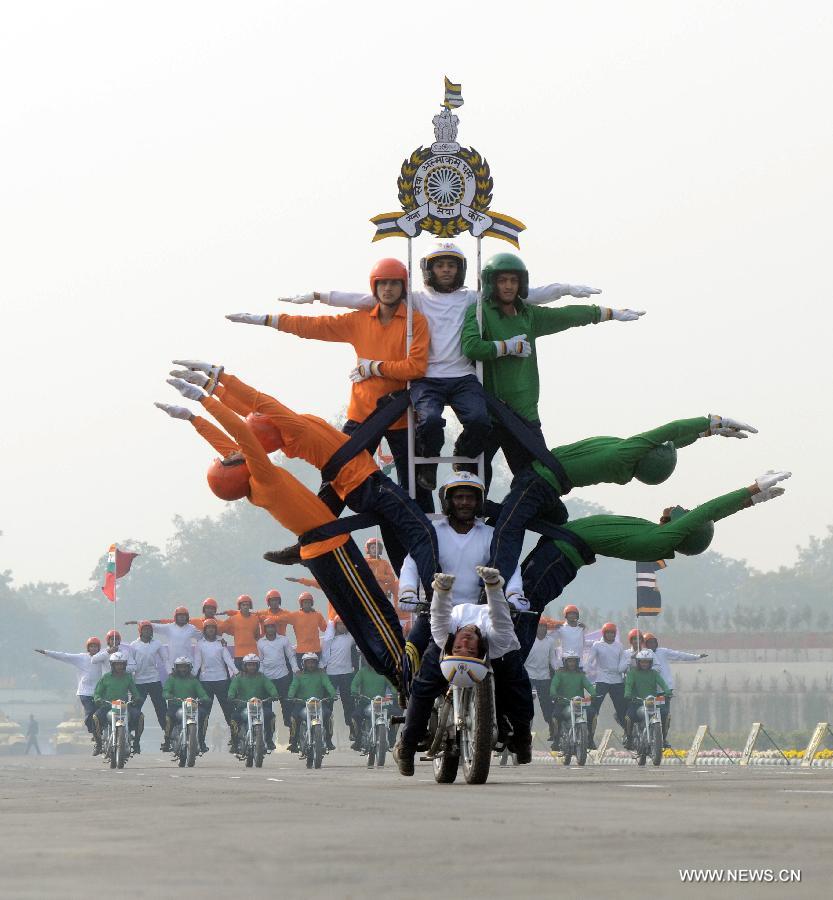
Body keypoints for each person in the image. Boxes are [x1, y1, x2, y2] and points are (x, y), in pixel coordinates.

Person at [261, 240, 601, 491]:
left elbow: (525, 294)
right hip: (427, 378)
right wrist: (321, 296)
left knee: (481, 422)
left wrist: (566, 289)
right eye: (440, 265)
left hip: (465, 376)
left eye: (452, 265)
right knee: (430, 423)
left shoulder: (472, 298)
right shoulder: (417, 299)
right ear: (429, 270)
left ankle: (463, 455)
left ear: (461, 270)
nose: (446, 270)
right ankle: (426, 471)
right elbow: (367, 298)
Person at [154, 373, 405, 687]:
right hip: (334, 548)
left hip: (319, 552)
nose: (230, 452)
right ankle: (404, 672)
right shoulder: (263, 476)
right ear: (235, 469)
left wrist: (193, 419)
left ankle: (398, 677)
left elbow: (229, 446)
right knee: (375, 613)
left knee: (358, 619)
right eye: (228, 459)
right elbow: (241, 435)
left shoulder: (251, 485)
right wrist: (204, 398)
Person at [165, 362, 439, 594]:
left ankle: (412, 588)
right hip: (367, 483)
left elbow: (246, 419)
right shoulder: (295, 431)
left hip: (355, 488)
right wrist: (215, 380)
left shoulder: (284, 442)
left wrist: (204, 404)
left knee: (394, 531)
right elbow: (256, 403)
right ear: (272, 423)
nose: (262, 413)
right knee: (422, 530)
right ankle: (434, 591)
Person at [514, 470, 791, 659]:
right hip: (558, 549)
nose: (679, 507)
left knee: (519, 616)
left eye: (684, 514)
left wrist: (752, 488)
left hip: (559, 555)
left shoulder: (663, 538)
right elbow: (707, 520)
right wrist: (749, 502)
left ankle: (505, 680)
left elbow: (707, 512)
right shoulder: (661, 536)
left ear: (682, 527)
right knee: (516, 614)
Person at [228, 258, 432, 508]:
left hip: (401, 415)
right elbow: (314, 326)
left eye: (394, 283)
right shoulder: (359, 320)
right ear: (374, 287)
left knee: (414, 483)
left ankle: (430, 539)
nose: (388, 289)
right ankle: (320, 530)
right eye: (383, 283)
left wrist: (373, 367)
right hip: (362, 413)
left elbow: (415, 368)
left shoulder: (415, 322)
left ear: (403, 287)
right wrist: (269, 320)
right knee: (338, 472)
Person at [489, 413, 760, 583]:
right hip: (552, 504)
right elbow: (670, 443)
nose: (681, 508)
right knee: (544, 517)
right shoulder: (627, 461)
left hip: (544, 492)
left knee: (509, 525)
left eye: (684, 512)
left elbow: (669, 432)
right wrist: (704, 433)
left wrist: (712, 422)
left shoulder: (624, 455)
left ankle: (496, 579)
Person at [461, 251, 644, 486]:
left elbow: (567, 316)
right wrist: (506, 347)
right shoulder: (478, 312)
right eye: (502, 280)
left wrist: (608, 313)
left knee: (539, 478)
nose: (508, 286)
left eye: (513, 280)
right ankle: (476, 521)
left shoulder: (529, 315)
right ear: (491, 282)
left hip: (524, 413)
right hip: (492, 412)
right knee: (470, 480)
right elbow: (472, 347)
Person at [394, 565, 534, 776]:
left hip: (497, 653)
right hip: (486, 645)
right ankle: (408, 744)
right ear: (479, 648)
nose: (465, 643)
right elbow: (500, 614)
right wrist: (494, 587)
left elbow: (439, 617)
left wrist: (441, 591)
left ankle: (522, 740)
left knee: (517, 687)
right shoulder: (495, 639)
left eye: (461, 648)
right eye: (467, 648)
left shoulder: (451, 637)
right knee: (423, 687)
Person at [398, 472, 525, 662]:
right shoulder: (432, 532)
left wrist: (514, 594)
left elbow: (511, 566)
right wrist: (408, 591)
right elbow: (412, 563)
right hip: (438, 612)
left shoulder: (491, 535)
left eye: (471, 498)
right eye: (459, 497)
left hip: (482, 615)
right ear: (448, 501)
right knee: (412, 656)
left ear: (479, 502)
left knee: (512, 671)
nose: (465, 502)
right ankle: (409, 693)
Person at [643, 632, 707, 746]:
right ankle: (646, 735)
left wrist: (696, 657)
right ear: (645, 644)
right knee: (646, 713)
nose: (652, 644)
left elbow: (679, 655)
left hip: (664, 690)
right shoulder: (643, 654)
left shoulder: (663, 651)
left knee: (664, 714)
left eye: (653, 642)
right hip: (649, 690)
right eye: (649, 642)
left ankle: (662, 738)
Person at [34, 637, 105, 738]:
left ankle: (101, 732)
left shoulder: (102, 658)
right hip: (85, 692)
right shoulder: (81, 658)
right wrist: (47, 653)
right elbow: (64, 656)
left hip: (99, 692)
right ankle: (94, 732)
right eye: (91, 646)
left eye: (96, 647)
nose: (94, 648)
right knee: (90, 714)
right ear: (88, 648)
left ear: (99, 648)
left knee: (100, 714)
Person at [91, 652, 144, 755]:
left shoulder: (128, 677)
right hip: (108, 706)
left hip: (124, 706)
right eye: (117, 664)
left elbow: (135, 692)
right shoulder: (105, 677)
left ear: (125, 665)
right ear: (112, 665)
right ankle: (98, 744)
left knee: (140, 716)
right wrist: (98, 699)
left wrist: (137, 698)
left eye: (122, 664)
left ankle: (136, 742)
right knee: (95, 718)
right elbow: (97, 692)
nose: (119, 666)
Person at [586, 623, 630, 742]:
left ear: (615, 634)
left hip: (617, 680)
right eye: (608, 633)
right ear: (604, 633)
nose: (610, 635)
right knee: (594, 709)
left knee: (622, 709)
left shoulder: (619, 646)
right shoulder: (597, 645)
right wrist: (586, 672)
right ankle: (589, 737)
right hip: (602, 680)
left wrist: (625, 666)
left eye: (612, 633)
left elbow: (622, 662)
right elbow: (589, 661)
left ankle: (628, 735)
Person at [194, 618, 238, 738]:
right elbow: (197, 662)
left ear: (216, 630)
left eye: (213, 628)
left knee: (229, 711)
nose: (211, 630)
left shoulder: (221, 643)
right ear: (204, 630)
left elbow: (228, 658)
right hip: (205, 681)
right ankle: (200, 741)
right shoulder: (200, 644)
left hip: (222, 681)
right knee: (203, 713)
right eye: (208, 628)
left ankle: (235, 739)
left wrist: (236, 671)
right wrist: (192, 675)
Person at [257, 616, 298, 740]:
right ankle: (268, 739)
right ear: (265, 629)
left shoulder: (284, 640)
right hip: (267, 678)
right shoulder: (260, 642)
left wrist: (296, 669)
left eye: (272, 626)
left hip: (283, 677)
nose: (270, 629)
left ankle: (293, 736)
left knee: (288, 707)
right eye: (268, 627)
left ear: (275, 628)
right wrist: (261, 675)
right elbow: (260, 660)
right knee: (267, 710)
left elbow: (291, 656)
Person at [227, 654, 279, 752]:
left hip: (259, 707)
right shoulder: (239, 678)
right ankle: (235, 743)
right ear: (244, 666)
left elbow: (270, 687)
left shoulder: (262, 677)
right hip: (243, 707)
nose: (252, 667)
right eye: (249, 665)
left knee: (271, 716)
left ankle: (269, 740)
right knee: (234, 717)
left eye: (254, 665)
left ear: (258, 666)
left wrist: (274, 694)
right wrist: (231, 696)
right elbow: (232, 688)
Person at [287, 653, 337, 753]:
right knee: (294, 717)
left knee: (328, 715)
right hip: (302, 703)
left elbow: (328, 685)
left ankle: (328, 740)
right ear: (303, 664)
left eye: (313, 662)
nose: (311, 665)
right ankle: (294, 741)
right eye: (308, 663)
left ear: (316, 663)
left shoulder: (321, 674)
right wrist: (291, 695)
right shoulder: (299, 675)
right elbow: (293, 687)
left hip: (318, 703)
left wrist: (333, 694)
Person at [128, 621, 170, 736]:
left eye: (150, 629)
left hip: (154, 680)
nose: (148, 631)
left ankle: (167, 732)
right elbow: (130, 662)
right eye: (145, 629)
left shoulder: (157, 643)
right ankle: (129, 732)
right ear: (140, 631)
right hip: (139, 681)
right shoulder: (133, 645)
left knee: (161, 707)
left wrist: (170, 672)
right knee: (135, 708)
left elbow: (165, 659)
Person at [623, 649, 671, 750]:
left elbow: (662, 683)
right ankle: (629, 738)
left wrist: (668, 691)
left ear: (651, 662)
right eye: (642, 661)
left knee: (666, 714)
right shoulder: (632, 673)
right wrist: (628, 693)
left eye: (647, 661)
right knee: (628, 717)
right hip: (637, 702)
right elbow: (629, 684)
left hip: (652, 703)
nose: (644, 664)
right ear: (638, 662)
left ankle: (663, 738)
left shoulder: (654, 673)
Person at [161, 657, 211, 753]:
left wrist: (205, 698)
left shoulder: (194, 680)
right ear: (176, 668)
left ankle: (201, 741)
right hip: (176, 706)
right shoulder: (172, 679)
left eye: (185, 667)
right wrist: (169, 696)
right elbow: (165, 692)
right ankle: (167, 741)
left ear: (189, 667)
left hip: (191, 707)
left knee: (204, 715)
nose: (182, 669)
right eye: (180, 667)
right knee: (169, 718)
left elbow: (202, 693)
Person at [548, 650, 596, 749]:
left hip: (578, 703)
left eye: (574, 661)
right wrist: (554, 694)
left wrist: (593, 693)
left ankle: (590, 739)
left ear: (577, 662)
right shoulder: (559, 674)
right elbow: (553, 686)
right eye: (570, 661)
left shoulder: (580, 674)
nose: (572, 663)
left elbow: (589, 685)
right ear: (565, 662)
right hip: (563, 703)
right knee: (555, 716)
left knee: (592, 714)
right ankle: (556, 740)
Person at [321, 617, 356, 738]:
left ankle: (353, 731)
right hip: (331, 674)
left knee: (349, 703)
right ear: (335, 626)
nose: (343, 627)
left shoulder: (350, 638)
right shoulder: (328, 639)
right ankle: (326, 734)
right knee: (328, 704)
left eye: (344, 624)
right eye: (340, 624)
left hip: (346, 674)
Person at [350, 661, 395, 752]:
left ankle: (391, 739)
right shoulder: (362, 672)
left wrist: (395, 692)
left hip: (381, 703)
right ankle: (358, 739)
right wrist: (355, 691)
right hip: (365, 702)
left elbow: (393, 685)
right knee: (355, 716)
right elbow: (354, 685)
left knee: (396, 715)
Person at [524, 621, 558, 739]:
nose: (541, 629)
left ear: (546, 629)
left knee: (546, 704)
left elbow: (553, 659)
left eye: (544, 627)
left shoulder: (550, 641)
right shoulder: (528, 639)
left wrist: (558, 670)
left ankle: (552, 728)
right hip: (529, 676)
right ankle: (524, 730)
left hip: (544, 676)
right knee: (526, 704)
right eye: (539, 626)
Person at [285, 593, 328, 666]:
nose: (307, 604)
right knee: (303, 675)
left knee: (316, 673)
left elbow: (325, 629)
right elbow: (281, 620)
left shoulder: (318, 615)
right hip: (301, 651)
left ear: (312, 603)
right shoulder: (295, 615)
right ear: (301, 604)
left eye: (309, 602)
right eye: (305, 602)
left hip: (316, 650)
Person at [219, 595, 262, 668]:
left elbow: (257, 636)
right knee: (241, 678)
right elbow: (219, 629)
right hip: (239, 655)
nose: (245, 607)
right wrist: (220, 639)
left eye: (247, 605)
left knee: (253, 678)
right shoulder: (233, 619)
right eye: (243, 605)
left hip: (253, 654)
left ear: (250, 606)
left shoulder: (255, 619)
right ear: (239, 606)